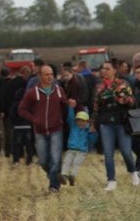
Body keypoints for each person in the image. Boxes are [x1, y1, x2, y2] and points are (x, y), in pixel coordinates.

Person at [18, 65, 70, 193]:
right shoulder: (32, 92)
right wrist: (34, 119)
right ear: (40, 76)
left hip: (56, 129)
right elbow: (22, 109)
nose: (49, 77)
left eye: (51, 74)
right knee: (43, 161)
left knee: (56, 159)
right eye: (46, 74)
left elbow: (64, 107)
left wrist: (61, 116)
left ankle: (54, 186)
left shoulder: (59, 90)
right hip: (39, 131)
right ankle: (56, 176)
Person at [92, 60, 139, 190]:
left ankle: (133, 171)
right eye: (103, 69)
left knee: (126, 151)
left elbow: (132, 101)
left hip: (122, 122)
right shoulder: (99, 87)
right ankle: (111, 180)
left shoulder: (123, 84)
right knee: (108, 153)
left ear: (114, 70)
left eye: (107, 69)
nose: (104, 71)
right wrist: (93, 124)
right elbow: (96, 106)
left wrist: (124, 99)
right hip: (106, 123)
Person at [61, 108, 97, 186]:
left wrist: (92, 133)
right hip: (71, 149)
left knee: (76, 163)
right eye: (78, 120)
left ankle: (72, 176)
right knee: (66, 161)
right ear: (75, 121)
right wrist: (70, 108)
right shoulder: (73, 127)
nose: (80, 123)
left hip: (82, 151)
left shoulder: (88, 130)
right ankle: (64, 175)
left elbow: (93, 141)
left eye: (83, 121)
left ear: (87, 122)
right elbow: (70, 117)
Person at [132, 64, 140, 175]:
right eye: (137, 72)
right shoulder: (134, 85)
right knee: (134, 143)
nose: (138, 75)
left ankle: (139, 166)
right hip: (135, 117)